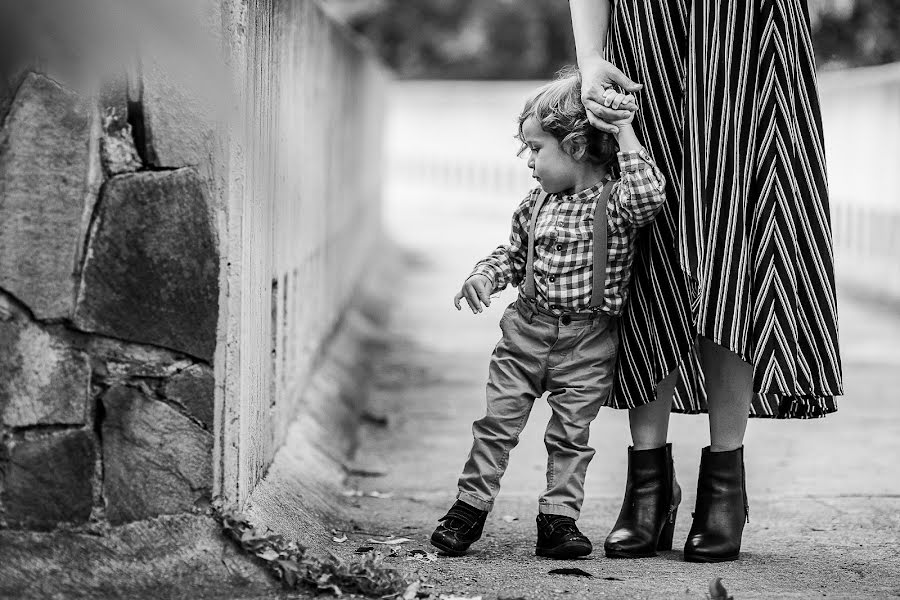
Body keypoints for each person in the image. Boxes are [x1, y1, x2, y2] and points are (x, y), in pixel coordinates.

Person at [567, 0, 844, 562]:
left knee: (738, 244)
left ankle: (725, 482)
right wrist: (591, 56)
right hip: (650, 34)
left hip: (753, 36)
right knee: (648, 239)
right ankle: (649, 481)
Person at [429, 67, 667, 559]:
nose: (530, 162)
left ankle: (558, 521)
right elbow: (512, 257)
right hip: (526, 331)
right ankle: (467, 510)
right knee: (498, 423)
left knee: (570, 436)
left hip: (588, 339)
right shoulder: (532, 205)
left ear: (577, 146)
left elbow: (650, 199)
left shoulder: (617, 201)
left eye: (536, 149)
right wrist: (483, 276)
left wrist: (623, 128)